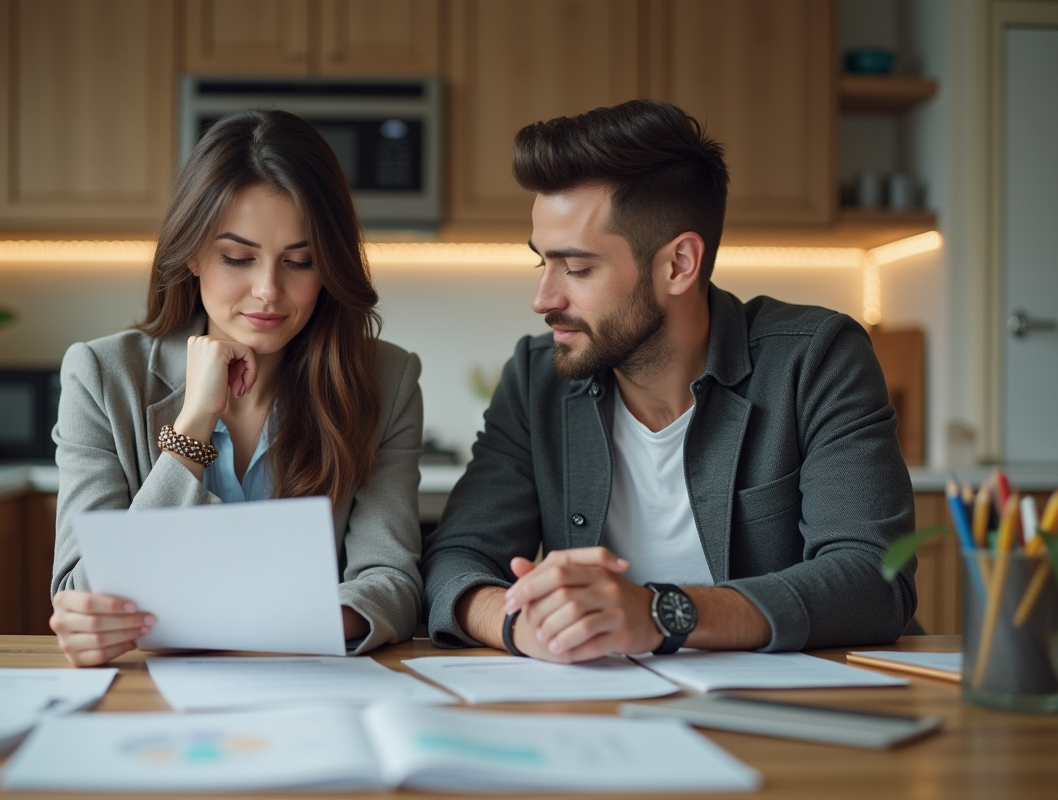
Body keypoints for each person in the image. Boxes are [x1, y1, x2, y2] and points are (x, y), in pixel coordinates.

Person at [423, 99, 916, 663]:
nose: (543, 299)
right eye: (543, 263)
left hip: (789, 717)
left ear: (679, 263)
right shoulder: (536, 378)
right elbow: (456, 560)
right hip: (604, 713)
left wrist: (661, 614)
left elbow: (875, 580)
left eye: (578, 269)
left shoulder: (817, 359)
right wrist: (517, 624)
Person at [50, 110, 424, 666]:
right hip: (150, 695)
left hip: (309, 683)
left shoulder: (386, 379)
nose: (268, 291)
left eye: (301, 261)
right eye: (237, 258)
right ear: (193, 254)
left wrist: (280, 624)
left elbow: (390, 580)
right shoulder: (101, 376)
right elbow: (84, 590)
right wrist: (195, 419)